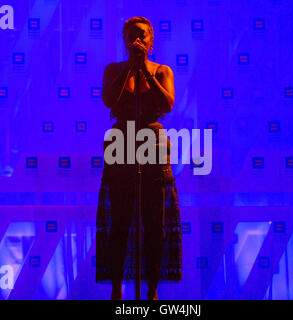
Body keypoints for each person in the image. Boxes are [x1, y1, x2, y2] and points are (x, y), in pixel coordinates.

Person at [96, 16, 182, 300]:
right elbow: (109, 99)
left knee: (154, 223)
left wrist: (144, 69)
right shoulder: (114, 70)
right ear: (124, 41)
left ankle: (153, 290)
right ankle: (117, 289)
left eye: (143, 35)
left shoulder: (161, 71)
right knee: (119, 221)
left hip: (153, 143)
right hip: (122, 141)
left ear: (151, 40)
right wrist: (131, 69)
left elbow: (167, 103)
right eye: (132, 35)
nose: (138, 39)